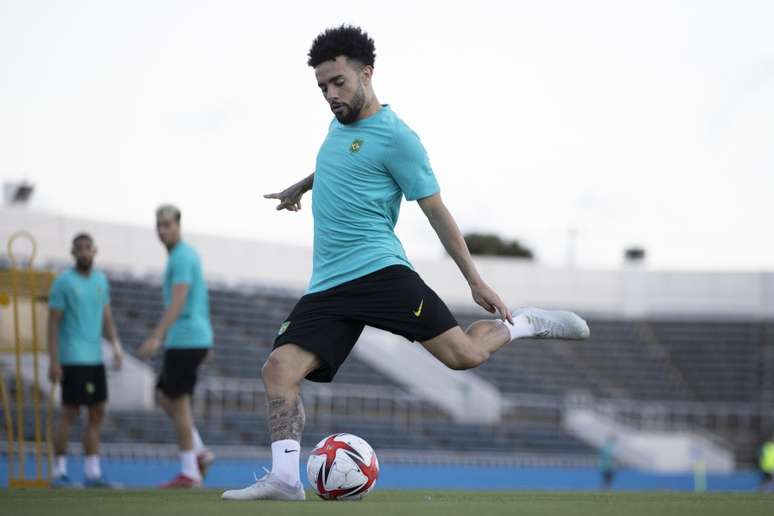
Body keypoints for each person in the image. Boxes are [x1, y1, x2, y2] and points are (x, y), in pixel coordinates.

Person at [222, 25, 589, 501]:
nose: (331, 95)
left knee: (464, 357)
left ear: (366, 73)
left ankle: (524, 323)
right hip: (328, 285)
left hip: (380, 273)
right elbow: (343, 163)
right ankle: (286, 479)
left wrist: (475, 281)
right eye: (322, 88)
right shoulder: (339, 125)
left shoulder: (399, 138)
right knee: (277, 368)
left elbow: (436, 211)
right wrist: (301, 186)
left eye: (339, 83)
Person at [138, 205, 215, 488]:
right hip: (189, 338)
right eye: (159, 225)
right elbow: (200, 298)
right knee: (164, 396)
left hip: (185, 338)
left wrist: (157, 335)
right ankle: (200, 451)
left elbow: (180, 300)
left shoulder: (182, 256)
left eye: (167, 224)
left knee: (179, 403)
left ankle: (190, 472)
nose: (162, 230)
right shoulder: (182, 256)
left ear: (178, 225)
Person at [48, 233, 123, 488]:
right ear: (72, 253)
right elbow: (53, 324)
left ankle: (92, 473)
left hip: (95, 359)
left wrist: (116, 347)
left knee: (97, 413)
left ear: (95, 251)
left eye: (87, 248)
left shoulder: (101, 281)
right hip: (72, 358)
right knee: (69, 413)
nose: (83, 252)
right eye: (78, 248)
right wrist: (54, 361)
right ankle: (58, 473)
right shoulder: (63, 282)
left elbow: (107, 318)